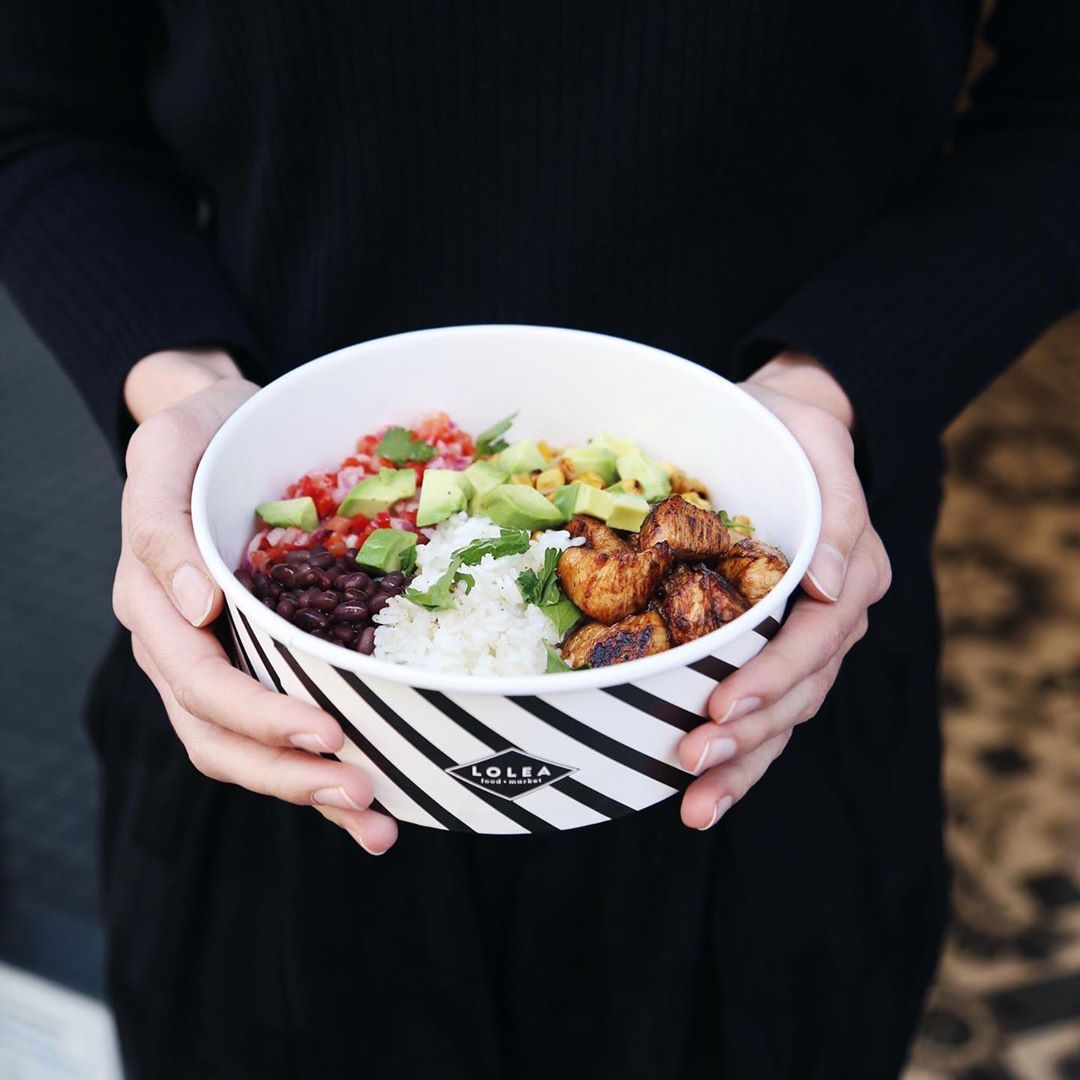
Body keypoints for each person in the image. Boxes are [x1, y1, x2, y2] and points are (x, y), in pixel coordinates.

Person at [1, 3, 1077, 1077]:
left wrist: (840, 384)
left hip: (766, 716)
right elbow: (37, 111)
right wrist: (178, 382)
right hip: (285, 727)